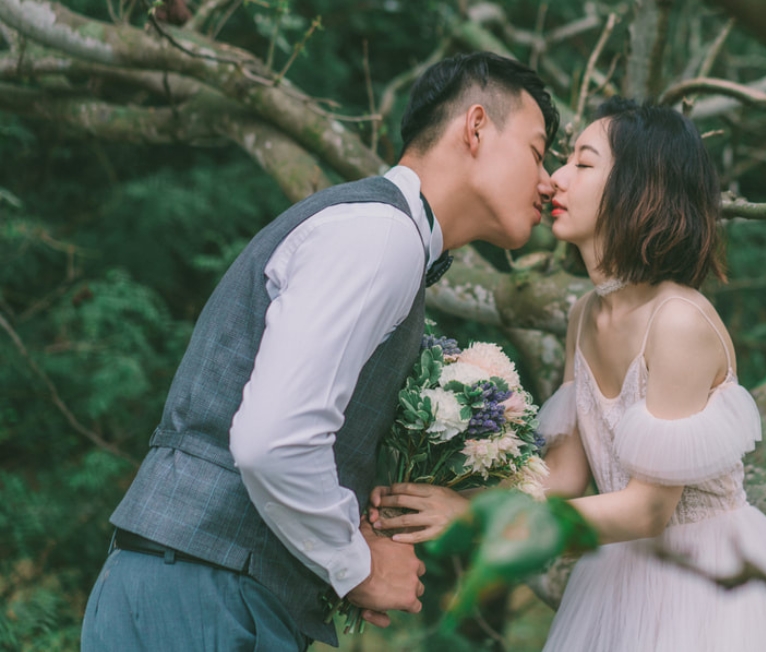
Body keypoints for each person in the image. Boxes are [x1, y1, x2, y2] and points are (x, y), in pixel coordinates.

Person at [80, 52, 560, 651]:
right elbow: (273, 439)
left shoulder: (385, 235)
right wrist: (357, 564)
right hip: (207, 593)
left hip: (202, 586)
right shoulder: (379, 235)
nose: (548, 183)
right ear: (476, 125)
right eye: (539, 153)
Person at [372, 99, 766, 651]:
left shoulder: (677, 321)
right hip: (620, 569)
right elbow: (565, 475)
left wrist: (482, 524)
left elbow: (649, 508)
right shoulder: (586, 313)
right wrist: (458, 488)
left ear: (643, 186)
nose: (554, 180)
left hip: (711, 579)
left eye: (583, 162)